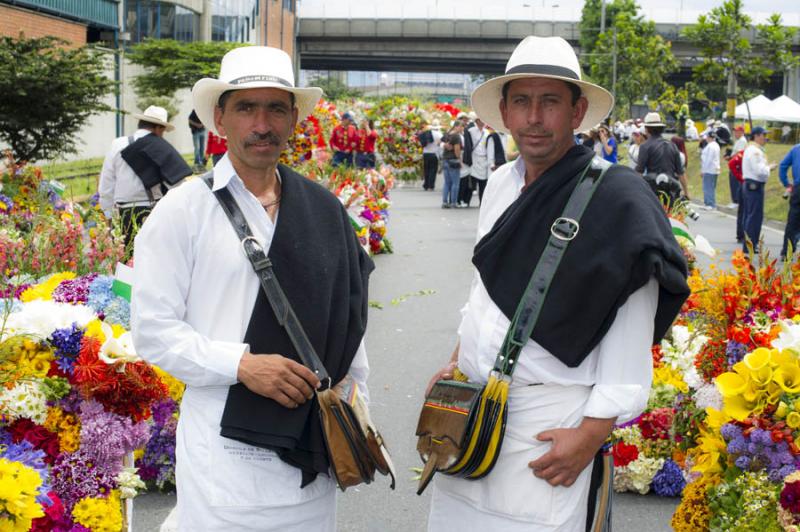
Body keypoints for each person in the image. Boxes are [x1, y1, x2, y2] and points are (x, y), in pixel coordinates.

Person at [425, 35, 690, 531]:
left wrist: (592, 432)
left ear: (578, 110)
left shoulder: (619, 200)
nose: (534, 118)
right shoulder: (501, 184)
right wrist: (457, 361)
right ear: (503, 112)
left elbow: (631, 326)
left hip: (552, 431)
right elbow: (485, 293)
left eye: (550, 101)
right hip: (473, 419)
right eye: (521, 101)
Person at [130, 46, 374, 531]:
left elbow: (349, 325)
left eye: (276, 108)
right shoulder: (183, 212)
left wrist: (354, 404)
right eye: (246, 108)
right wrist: (240, 365)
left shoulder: (324, 210)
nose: (262, 124)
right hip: (224, 453)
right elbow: (153, 331)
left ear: (294, 119)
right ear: (220, 119)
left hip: (310, 447)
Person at [98, 105, 187, 251]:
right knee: (155, 260)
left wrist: (108, 216)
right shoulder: (162, 147)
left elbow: (106, 185)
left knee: (126, 264)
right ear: (158, 128)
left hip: (123, 213)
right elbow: (178, 186)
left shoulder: (117, 144)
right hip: (154, 211)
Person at [636, 112, 690, 200]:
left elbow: (639, 172)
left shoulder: (645, 146)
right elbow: (681, 172)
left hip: (653, 191)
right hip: (671, 190)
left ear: (646, 129)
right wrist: (686, 192)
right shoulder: (672, 145)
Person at [741, 126, 778, 253]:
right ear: (756, 136)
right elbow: (759, 170)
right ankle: (750, 244)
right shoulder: (754, 151)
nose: (765, 138)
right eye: (763, 135)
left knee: (750, 215)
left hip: (751, 185)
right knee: (754, 217)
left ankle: (749, 243)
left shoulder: (753, 149)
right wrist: (769, 168)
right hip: (754, 185)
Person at [779, 141, 800, 259]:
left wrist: (787, 184)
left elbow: (783, 166)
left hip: (798, 189)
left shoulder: (796, 149)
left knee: (793, 221)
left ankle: (786, 252)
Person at [441, 121, 464, 208]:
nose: (462, 129)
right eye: (461, 127)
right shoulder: (456, 136)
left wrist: (445, 145)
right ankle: (453, 202)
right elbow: (457, 150)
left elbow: (440, 142)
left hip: (445, 160)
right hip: (453, 160)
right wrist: (460, 160)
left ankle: (444, 202)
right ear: (456, 127)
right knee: (455, 183)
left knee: (447, 183)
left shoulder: (447, 134)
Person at [699, 129, 720, 209]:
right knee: (711, 186)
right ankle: (708, 202)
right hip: (714, 169)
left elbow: (708, 159)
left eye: (707, 137)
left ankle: (710, 204)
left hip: (709, 169)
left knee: (707, 187)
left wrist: (703, 170)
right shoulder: (716, 145)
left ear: (709, 137)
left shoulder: (711, 146)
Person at [421, 120, 443, 190]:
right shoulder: (439, 134)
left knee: (426, 169)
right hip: (434, 154)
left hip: (425, 153)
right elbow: (440, 146)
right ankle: (431, 185)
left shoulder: (426, 133)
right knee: (433, 170)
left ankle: (426, 184)